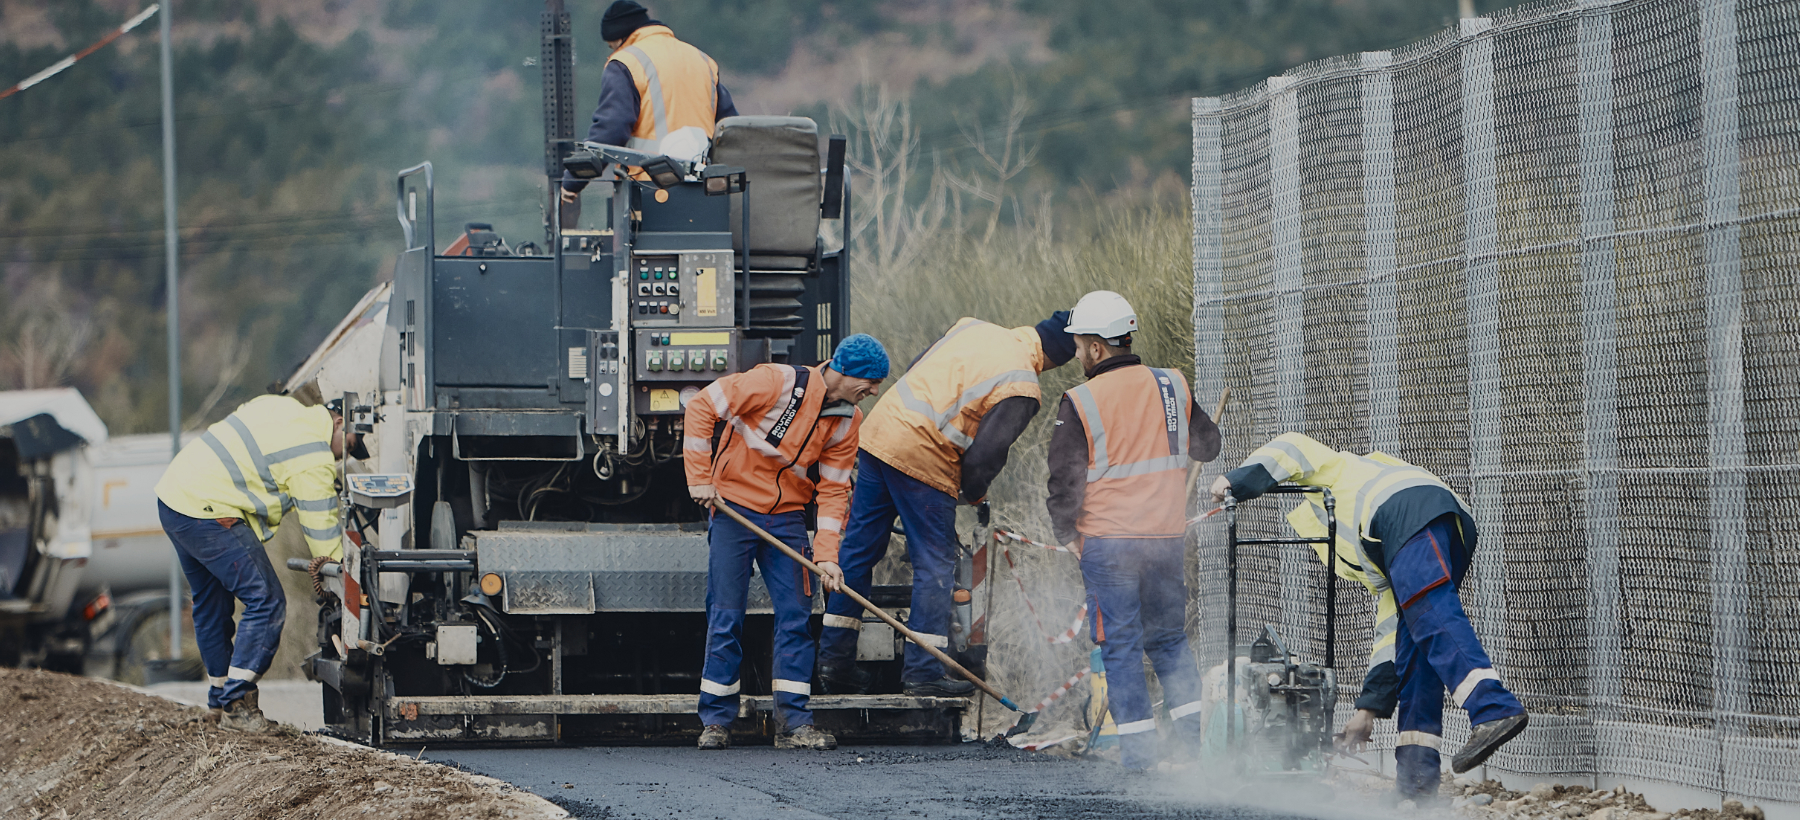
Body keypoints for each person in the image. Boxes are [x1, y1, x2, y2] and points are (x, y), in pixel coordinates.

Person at [1210, 434, 1529, 798]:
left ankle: (1492, 706)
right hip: (1438, 525)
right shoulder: (1371, 556)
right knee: (1416, 654)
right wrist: (1367, 710)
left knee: (1428, 608)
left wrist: (1233, 481)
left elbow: (1291, 446)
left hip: (1405, 509)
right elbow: (1389, 634)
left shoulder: (1335, 475)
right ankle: (1415, 787)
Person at [816, 310, 1078, 697]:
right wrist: (973, 492)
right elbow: (986, 456)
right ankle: (922, 673)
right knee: (935, 565)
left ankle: (832, 664)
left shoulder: (974, 327)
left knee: (856, 551)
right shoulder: (1022, 383)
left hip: (879, 435)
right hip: (923, 456)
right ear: (1059, 358)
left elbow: (917, 366)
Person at [683, 334, 890, 750]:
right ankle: (717, 721)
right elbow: (703, 406)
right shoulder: (774, 381)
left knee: (796, 617)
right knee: (726, 616)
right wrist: (701, 479)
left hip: (787, 520)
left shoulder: (849, 419)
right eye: (869, 383)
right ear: (843, 371)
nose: (872, 392)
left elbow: (833, 490)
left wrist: (829, 557)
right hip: (734, 512)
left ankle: (794, 724)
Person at [1045, 290, 1222, 771]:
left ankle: (1141, 759)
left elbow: (1064, 479)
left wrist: (1067, 535)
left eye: (1079, 345)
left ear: (1098, 348)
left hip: (1110, 544)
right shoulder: (1173, 385)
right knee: (1168, 641)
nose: (1077, 354)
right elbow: (1208, 446)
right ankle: (1190, 752)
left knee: (1120, 648)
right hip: (1165, 540)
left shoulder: (1081, 400)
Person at [154, 394, 360, 731]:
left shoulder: (280, 406)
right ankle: (238, 705)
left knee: (211, 603)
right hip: (211, 509)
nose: (343, 457)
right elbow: (323, 536)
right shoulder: (313, 455)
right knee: (266, 600)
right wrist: (348, 580)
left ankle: (220, 702)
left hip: (175, 499)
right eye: (348, 445)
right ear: (339, 422)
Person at [558, 0, 739, 226]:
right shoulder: (703, 61)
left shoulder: (626, 62)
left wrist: (572, 183)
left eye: (611, 46)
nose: (612, 51)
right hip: (704, 196)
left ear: (618, 38)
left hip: (648, 195)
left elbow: (610, 130)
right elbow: (731, 129)